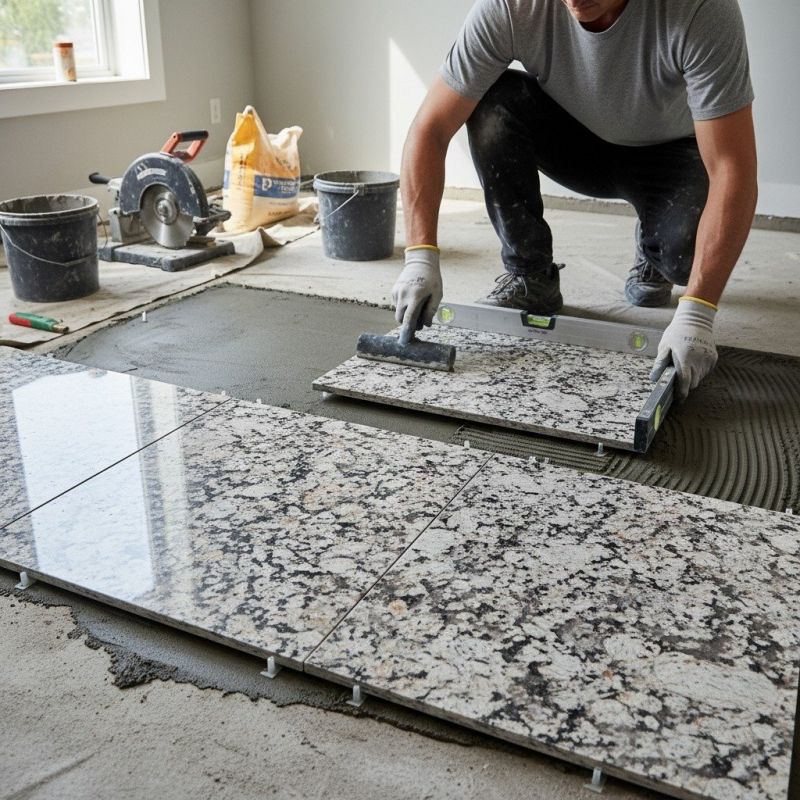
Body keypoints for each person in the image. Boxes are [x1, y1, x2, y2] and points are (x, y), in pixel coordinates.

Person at [392, 0, 757, 400]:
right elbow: (430, 128)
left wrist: (698, 311)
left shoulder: (700, 9)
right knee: (491, 106)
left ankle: (654, 247)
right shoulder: (511, 6)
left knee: (685, 259)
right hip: (575, 138)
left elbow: (732, 171)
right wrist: (420, 256)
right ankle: (531, 275)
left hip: (670, 152)